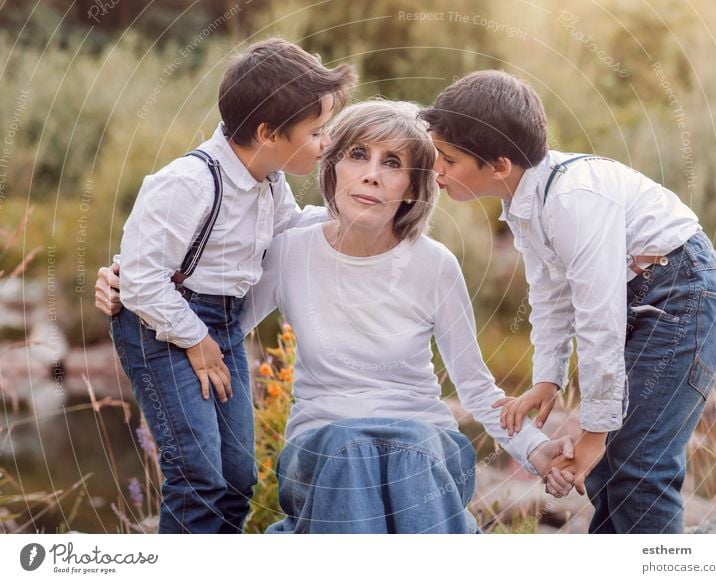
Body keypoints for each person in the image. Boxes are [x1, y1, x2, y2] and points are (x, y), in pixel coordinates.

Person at [98, 99, 576, 534]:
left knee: (409, 454)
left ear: (413, 187)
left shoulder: (435, 266)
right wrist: (135, 288)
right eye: (357, 155)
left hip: (424, 452)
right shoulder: (290, 251)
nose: (371, 174)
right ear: (333, 166)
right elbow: (219, 325)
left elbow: (475, 388)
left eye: (392, 163)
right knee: (352, 454)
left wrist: (537, 451)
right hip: (323, 452)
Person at [420, 70, 716, 533]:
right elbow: (550, 296)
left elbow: (599, 318)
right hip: (644, 298)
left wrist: (594, 431)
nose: (437, 170)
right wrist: (547, 379)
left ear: (499, 165)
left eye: (448, 159)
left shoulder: (572, 200)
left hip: (683, 294)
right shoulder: (527, 203)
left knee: (639, 466)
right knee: (613, 466)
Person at [104, 38, 356, 533]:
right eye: (317, 132)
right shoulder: (190, 184)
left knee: (238, 478)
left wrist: (352, 222)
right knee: (197, 476)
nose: (326, 143)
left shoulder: (269, 179)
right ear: (268, 132)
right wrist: (196, 342)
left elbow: (288, 228)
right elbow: (138, 280)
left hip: (220, 326)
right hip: (162, 326)